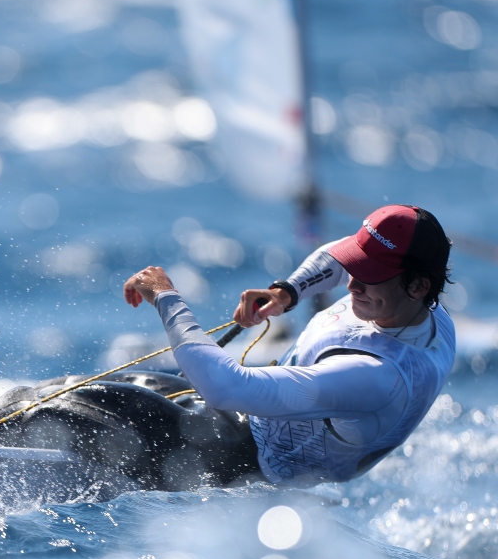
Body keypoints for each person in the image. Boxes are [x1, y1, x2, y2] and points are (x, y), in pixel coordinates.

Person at [122, 204, 456, 486]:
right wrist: (287, 292)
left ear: (417, 286)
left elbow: (225, 387)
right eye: (355, 264)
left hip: (236, 465)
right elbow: (338, 256)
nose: (352, 282)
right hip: (234, 422)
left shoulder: (376, 378)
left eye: (368, 274)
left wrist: (166, 296)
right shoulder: (424, 311)